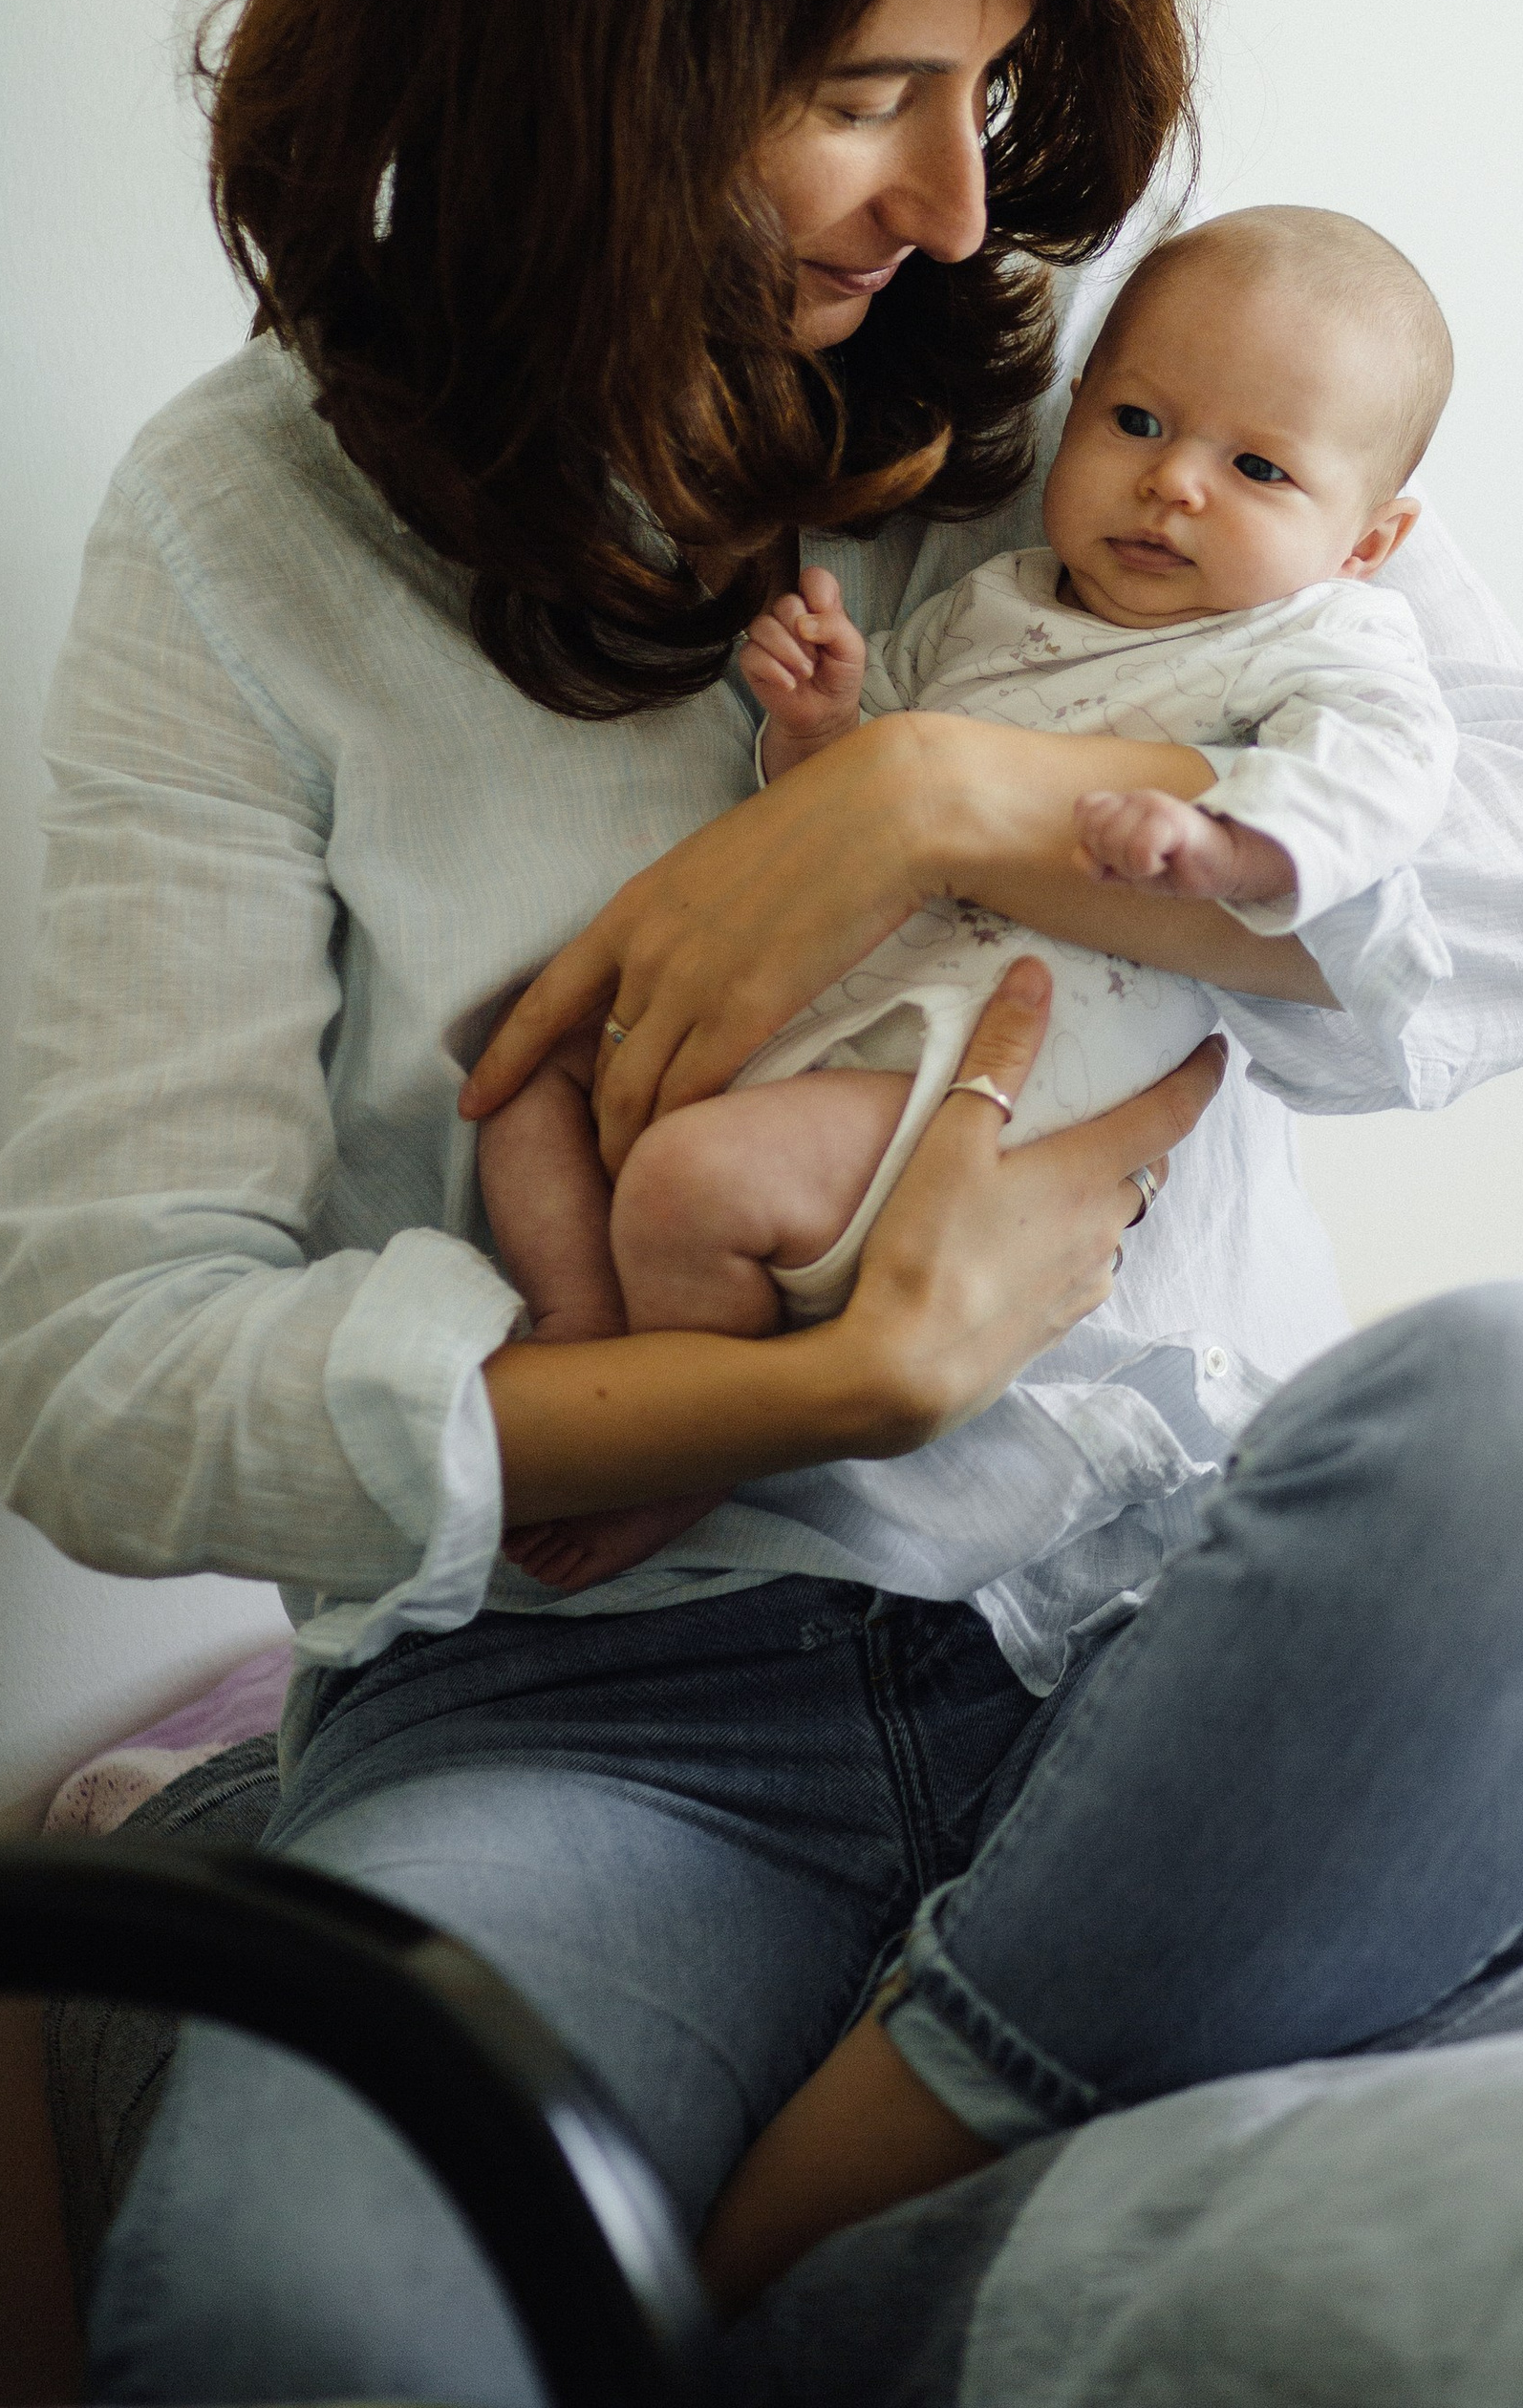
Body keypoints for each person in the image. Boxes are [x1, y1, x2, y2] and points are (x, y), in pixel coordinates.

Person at [0, 0, 1523, 2407]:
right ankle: (942, 2145)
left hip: (1164, 1630)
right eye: (860, 90)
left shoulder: (1099, 414)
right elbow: (95, 1366)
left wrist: (944, 797)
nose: (959, 199)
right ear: (585, 55)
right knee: (299, 2316)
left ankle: (783, 2233)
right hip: (596, 1733)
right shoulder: (241, 537)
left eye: (993, 89)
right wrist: (821, 1385)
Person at [479, 202, 1464, 1605]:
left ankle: (679, 1455)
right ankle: (589, 1326)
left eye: (1254, 466)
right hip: (856, 991)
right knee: (528, 1055)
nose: (1173, 482)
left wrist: (1233, 845)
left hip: (1000, 1050)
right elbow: (853, 780)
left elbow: (1390, 777)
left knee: (694, 1185)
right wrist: (822, 722)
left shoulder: (1323, 636)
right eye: (1133, 421)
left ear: (1370, 540)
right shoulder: (1000, 599)